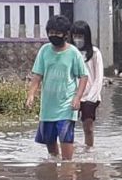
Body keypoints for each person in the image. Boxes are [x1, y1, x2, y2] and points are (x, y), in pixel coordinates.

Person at [26, 15, 88, 161]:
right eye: (51, 32)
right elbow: (37, 75)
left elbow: (84, 76)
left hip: (66, 106)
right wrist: (31, 94)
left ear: (66, 34)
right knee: (51, 152)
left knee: (66, 144)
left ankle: (68, 176)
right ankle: (52, 179)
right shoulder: (44, 51)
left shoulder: (73, 53)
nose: (54, 36)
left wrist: (77, 97)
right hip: (47, 107)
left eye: (57, 33)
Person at [70, 20, 104, 149]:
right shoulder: (70, 53)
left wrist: (91, 98)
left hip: (90, 97)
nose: (77, 39)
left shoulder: (95, 53)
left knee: (88, 127)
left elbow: (99, 77)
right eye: (75, 36)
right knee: (68, 127)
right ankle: (70, 151)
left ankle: (89, 151)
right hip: (72, 95)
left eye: (80, 36)